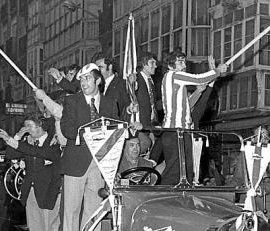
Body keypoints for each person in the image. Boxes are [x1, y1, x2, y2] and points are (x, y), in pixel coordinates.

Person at [59, 63, 120, 231]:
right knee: (71, 211)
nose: (83, 83)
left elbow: (115, 132)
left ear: (98, 80)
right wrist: (91, 131)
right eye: (81, 80)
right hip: (75, 163)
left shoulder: (110, 103)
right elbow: (67, 129)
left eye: (87, 79)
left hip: (98, 164)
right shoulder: (72, 102)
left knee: (94, 211)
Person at [0, 113, 62, 231]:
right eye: (26, 126)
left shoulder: (53, 143)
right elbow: (10, 154)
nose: (28, 130)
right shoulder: (27, 142)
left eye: (30, 126)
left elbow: (37, 153)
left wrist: (14, 140)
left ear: (41, 126)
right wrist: (18, 135)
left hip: (48, 194)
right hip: (31, 193)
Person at [150, 50, 227, 185]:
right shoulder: (173, 76)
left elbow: (188, 105)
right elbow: (198, 78)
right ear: (170, 65)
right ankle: (166, 198)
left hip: (182, 131)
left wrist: (199, 90)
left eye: (184, 62)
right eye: (180, 62)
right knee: (175, 171)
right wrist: (216, 71)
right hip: (175, 131)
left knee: (186, 169)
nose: (184, 65)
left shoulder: (176, 82)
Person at [94, 54, 131, 119]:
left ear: (110, 67)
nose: (97, 72)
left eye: (100, 67)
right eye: (96, 69)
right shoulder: (96, 86)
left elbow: (128, 108)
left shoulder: (122, 84)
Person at [134, 51, 161, 128]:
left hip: (151, 124)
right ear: (143, 64)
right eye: (152, 63)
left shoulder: (151, 81)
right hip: (140, 125)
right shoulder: (136, 81)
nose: (155, 66)